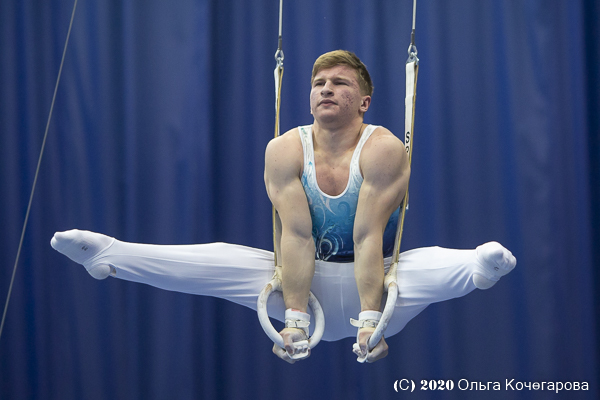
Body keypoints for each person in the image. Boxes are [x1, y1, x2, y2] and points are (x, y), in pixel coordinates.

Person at [51, 50, 516, 364]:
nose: (325, 89)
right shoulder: (284, 149)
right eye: (318, 83)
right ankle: (109, 257)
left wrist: (373, 320)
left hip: (377, 278)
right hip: (299, 277)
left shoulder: (384, 148)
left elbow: (367, 235)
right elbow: (295, 235)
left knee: (431, 265)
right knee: (217, 257)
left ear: (365, 102)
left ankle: (479, 267)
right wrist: (294, 319)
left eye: (339, 83)